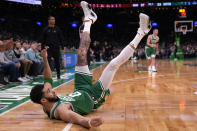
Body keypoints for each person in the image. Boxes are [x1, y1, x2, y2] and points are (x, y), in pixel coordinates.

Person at [30, 1, 151, 129]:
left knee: (81, 53)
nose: (52, 90)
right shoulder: (59, 110)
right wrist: (87, 122)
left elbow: (47, 79)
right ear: (43, 100)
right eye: (49, 91)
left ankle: (89, 19)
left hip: (80, 87)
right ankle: (142, 32)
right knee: (113, 65)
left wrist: (45, 59)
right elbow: (72, 117)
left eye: (49, 89)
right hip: (92, 96)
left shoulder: (45, 100)